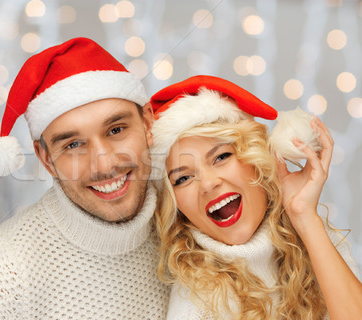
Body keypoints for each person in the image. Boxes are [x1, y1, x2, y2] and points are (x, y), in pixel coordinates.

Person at [0, 37, 170, 319]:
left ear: (148, 123)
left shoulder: (187, 229)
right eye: (73, 145)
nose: (104, 163)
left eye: (116, 130)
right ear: (46, 159)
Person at [148, 75, 362, 319]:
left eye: (221, 157)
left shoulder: (315, 237)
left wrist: (304, 216)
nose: (208, 184)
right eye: (183, 179)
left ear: (256, 159)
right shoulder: (194, 306)